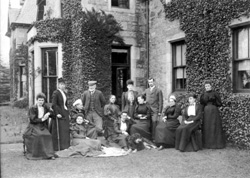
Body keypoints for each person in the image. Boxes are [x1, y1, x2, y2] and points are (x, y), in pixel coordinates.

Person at [23, 93, 55, 160]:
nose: (41, 102)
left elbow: (52, 113)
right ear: (37, 100)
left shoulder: (45, 107)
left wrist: (48, 113)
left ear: (44, 101)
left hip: (42, 126)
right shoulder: (33, 108)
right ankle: (38, 154)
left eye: (42, 100)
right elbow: (32, 120)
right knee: (39, 135)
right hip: (34, 125)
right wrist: (42, 119)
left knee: (48, 135)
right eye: (39, 100)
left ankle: (49, 154)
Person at [200, 81, 226, 149]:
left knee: (214, 126)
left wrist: (213, 103)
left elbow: (219, 103)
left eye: (208, 86)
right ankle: (207, 144)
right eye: (206, 86)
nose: (207, 87)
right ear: (205, 87)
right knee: (207, 126)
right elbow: (202, 104)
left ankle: (216, 144)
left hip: (214, 110)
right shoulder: (203, 94)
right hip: (206, 111)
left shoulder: (215, 93)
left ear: (211, 86)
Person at [51, 78, 70, 151]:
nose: (63, 86)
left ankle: (65, 146)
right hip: (59, 113)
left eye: (64, 84)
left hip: (65, 112)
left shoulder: (64, 93)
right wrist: (57, 113)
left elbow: (66, 104)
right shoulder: (56, 93)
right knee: (60, 130)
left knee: (65, 130)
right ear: (58, 85)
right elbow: (54, 104)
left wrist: (68, 113)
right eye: (61, 84)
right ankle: (59, 146)